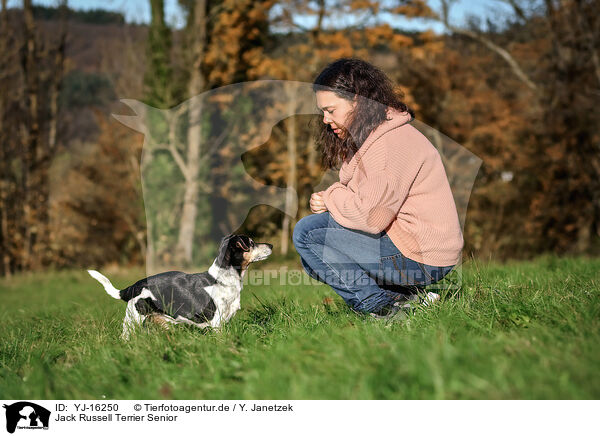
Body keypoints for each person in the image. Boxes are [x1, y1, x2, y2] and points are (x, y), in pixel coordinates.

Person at [292, 58, 464, 318]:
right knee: (315, 257)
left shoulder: (389, 143)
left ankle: (381, 308)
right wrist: (333, 198)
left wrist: (331, 197)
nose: (325, 119)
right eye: (322, 112)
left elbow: (371, 217)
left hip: (423, 256)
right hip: (412, 246)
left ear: (357, 100)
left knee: (308, 234)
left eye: (330, 110)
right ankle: (411, 300)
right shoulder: (374, 136)